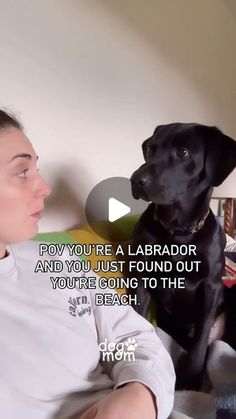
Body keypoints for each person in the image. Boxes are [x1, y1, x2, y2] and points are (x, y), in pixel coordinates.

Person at [0, 109, 175, 419]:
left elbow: (130, 338)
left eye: (36, 169)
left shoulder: (56, 257)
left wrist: (141, 393)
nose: (45, 187)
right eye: (22, 171)